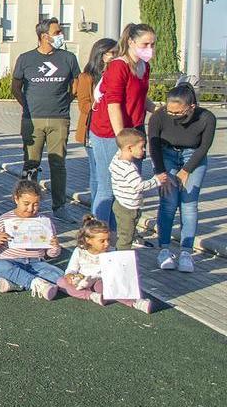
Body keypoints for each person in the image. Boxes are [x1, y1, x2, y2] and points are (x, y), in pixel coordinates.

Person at [11, 18, 81, 216]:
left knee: (58, 163)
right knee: (31, 163)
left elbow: (76, 84)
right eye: (57, 32)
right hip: (32, 120)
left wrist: (65, 101)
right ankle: (27, 205)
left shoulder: (68, 58)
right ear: (44, 36)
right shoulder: (26, 59)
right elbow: (16, 87)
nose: (61, 35)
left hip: (59, 118)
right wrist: (27, 105)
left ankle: (59, 206)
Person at [88, 23, 156, 224]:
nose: (149, 49)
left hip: (134, 132)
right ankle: (97, 233)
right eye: (145, 44)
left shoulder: (144, 67)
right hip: (110, 133)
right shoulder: (118, 66)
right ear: (131, 42)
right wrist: (122, 140)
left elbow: (140, 97)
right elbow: (113, 104)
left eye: (152, 44)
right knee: (108, 188)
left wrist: (158, 110)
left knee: (128, 189)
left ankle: (121, 236)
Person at [150, 83, 216, 273]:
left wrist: (186, 170)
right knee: (168, 202)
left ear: (191, 107)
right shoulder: (159, 116)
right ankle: (164, 249)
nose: (173, 116)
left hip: (193, 156)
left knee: (189, 203)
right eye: (170, 111)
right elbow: (153, 145)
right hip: (165, 155)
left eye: (178, 113)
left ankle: (186, 252)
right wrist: (161, 172)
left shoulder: (207, 118)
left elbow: (205, 146)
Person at [57, 215, 154, 313]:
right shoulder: (79, 251)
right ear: (88, 240)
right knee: (61, 282)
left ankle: (135, 302)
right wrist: (70, 276)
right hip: (81, 280)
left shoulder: (110, 253)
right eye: (102, 241)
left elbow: (113, 275)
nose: (106, 244)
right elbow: (72, 268)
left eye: (108, 240)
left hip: (99, 281)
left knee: (108, 287)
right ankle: (91, 296)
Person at [0, 179, 63, 300]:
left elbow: (52, 254)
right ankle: (35, 283)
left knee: (60, 275)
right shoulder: (3, 220)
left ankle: (15, 283)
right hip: (11, 261)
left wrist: (55, 246)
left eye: (36, 204)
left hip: (36, 263)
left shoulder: (44, 221)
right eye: (26, 203)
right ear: (16, 199)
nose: (31, 208)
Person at [109, 128, 163, 250]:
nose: (144, 150)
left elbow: (120, 149)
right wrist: (157, 180)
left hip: (121, 203)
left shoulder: (117, 159)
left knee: (128, 231)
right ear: (129, 148)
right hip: (128, 207)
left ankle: (129, 244)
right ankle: (123, 257)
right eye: (141, 147)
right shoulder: (128, 168)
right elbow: (138, 186)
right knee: (125, 237)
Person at [74, 38, 118, 150]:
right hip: (94, 127)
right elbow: (83, 105)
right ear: (101, 54)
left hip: (113, 125)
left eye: (118, 53)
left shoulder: (117, 74)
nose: (116, 56)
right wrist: (101, 105)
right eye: (112, 53)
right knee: (97, 165)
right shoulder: (86, 77)